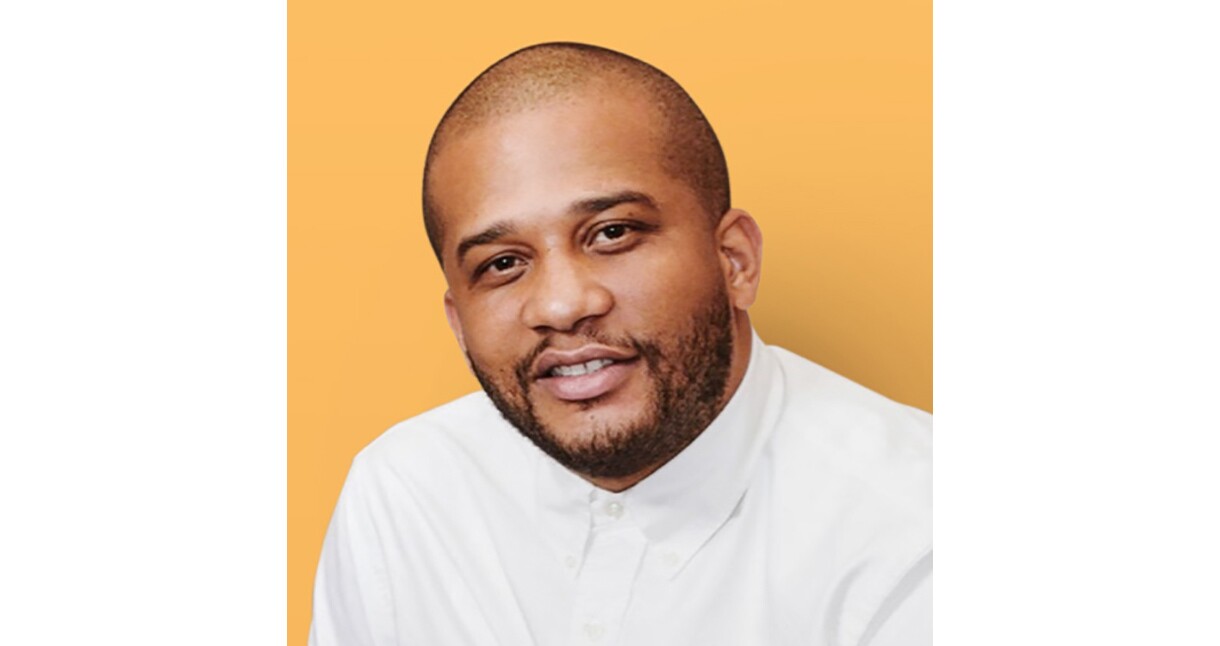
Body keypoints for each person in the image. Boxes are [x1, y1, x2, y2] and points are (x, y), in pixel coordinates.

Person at [310, 42, 931, 646]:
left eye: (612, 233)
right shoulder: (404, 494)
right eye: (502, 263)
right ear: (458, 321)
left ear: (734, 260)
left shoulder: (917, 525)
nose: (560, 305)